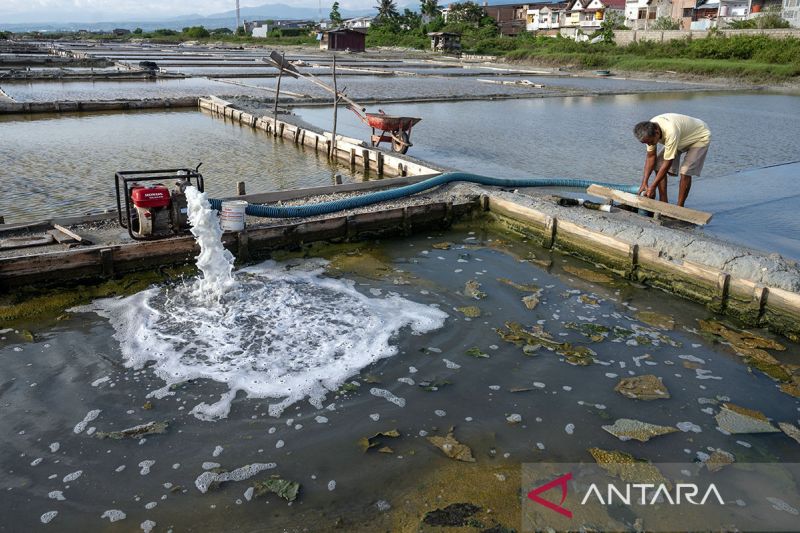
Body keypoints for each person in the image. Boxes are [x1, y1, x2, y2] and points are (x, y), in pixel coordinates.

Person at [633, 113, 711, 207]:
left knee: (685, 171)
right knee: (658, 165)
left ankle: (679, 207)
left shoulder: (670, 131)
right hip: (680, 137)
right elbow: (650, 157)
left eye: (650, 142)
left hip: (700, 136)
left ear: (657, 133)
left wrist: (653, 186)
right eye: (646, 143)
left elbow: (668, 162)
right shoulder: (648, 132)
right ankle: (663, 201)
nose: (649, 145)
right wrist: (644, 182)